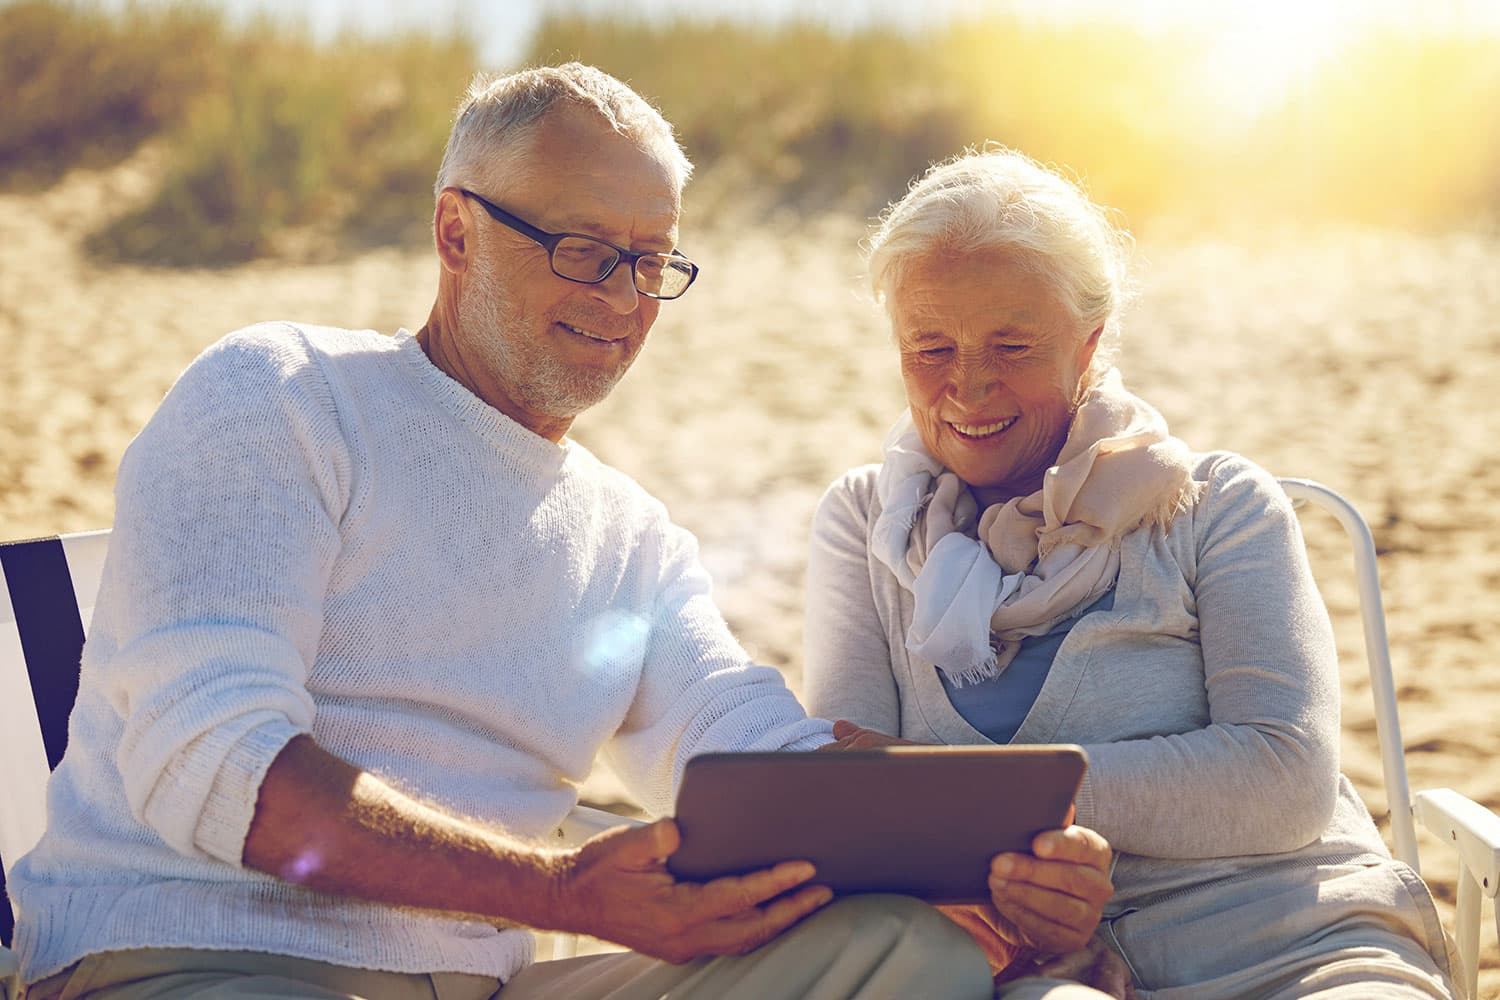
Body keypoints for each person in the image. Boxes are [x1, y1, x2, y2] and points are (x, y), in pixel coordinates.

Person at [8, 66, 1108, 1000]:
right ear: (456, 231)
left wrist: (989, 851)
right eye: (585, 249)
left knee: (900, 950)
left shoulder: (626, 533)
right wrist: (555, 893)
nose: (626, 298)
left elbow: (749, 747)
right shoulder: (284, 393)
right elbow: (209, 761)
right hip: (201, 959)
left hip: (486, 985)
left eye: (651, 260)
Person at [803, 147, 1459, 1000]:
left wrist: (974, 795)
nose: (967, 385)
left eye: (1013, 343)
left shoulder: (1217, 504)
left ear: (1089, 343)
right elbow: (854, 803)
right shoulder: (864, 524)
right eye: (930, 347)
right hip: (1034, 968)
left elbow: (1284, 776)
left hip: (1294, 938)